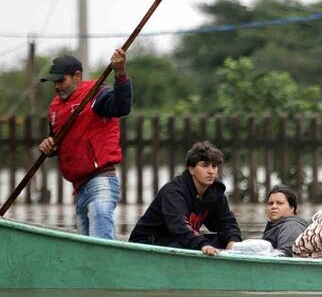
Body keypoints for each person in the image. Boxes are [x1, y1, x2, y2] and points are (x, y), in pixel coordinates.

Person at [38, 49, 132, 239]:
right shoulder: (55, 107)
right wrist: (49, 146)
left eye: (61, 80)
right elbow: (57, 140)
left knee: (99, 246)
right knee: (87, 253)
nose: (57, 86)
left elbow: (122, 106)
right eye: (54, 82)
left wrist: (120, 74)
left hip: (101, 183)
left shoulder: (96, 94)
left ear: (77, 76)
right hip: (79, 190)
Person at [129, 141, 242, 256]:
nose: (211, 171)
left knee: (224, 240)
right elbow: (179, 227)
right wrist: (202, 245)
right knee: (187, 245)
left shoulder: (215, 191)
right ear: (191, 169)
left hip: (179, 240)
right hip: (148, 242)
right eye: (204, 165)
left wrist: (233, 241)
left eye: (214, 166)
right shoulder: (174, 192)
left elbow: (227, 222)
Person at [262, 185, 309, 257]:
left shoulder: (291, 226)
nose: (273, 206)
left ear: (292, 208)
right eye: (270, 203)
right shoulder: (278, 226)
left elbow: (285, 258)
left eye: (279, 203)